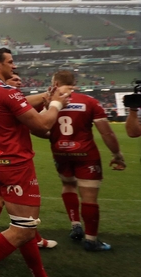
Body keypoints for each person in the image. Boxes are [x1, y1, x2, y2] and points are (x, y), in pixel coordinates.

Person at [0, 48, 71, 277]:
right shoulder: (6, 91)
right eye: (10, 61)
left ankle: (39, 274)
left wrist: (46, 96)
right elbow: (42, 126)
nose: (14, 66)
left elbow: (15, 108)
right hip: (15, 164)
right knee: (24, 229)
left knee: (24, 226)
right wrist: (56, 104)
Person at [0, 72, 57, 251]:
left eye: (19, 79)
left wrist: (45, 97)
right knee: (24, 213)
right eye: (14, 79)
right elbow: (41, 127)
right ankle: (29, 239)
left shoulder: (3, 100)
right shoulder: (8, 100)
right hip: (13, 160)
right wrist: (53, 102)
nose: (18, 82)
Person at [47, 70, 125, 251]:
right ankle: (91, 240)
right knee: (89, 196)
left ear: (55, 83)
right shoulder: (89, 101)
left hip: (60, 153)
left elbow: (40, 127)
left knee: (68, 185)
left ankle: (75, 225)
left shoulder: (50, 103)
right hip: (86, 154)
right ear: (74, 83)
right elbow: (106, 133)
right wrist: (117, 154)